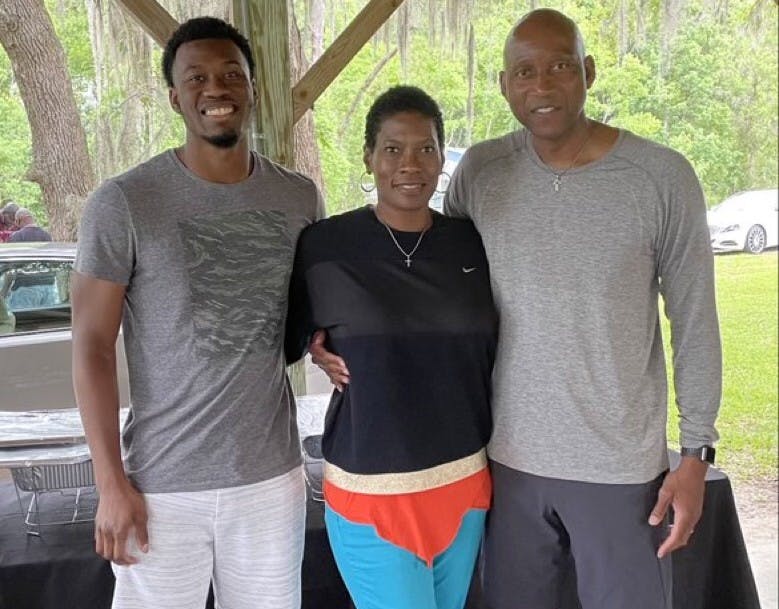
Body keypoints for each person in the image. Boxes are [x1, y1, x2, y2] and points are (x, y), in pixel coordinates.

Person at [442, 9, 721, 609]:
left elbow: (694, 320)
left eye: (560, 66)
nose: (542, 86)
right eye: (525, 71)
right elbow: (438, 289)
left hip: (622, 471)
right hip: (506, 462)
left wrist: (697, 454)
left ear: (589, 72)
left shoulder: (660, 177)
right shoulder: (480, 174)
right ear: (504, 84)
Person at [71, 16, 323, 609]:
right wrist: (110, 483)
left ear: (254, 90)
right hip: (162, 486)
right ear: (175, 97)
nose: (217, 89)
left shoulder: (298, 196)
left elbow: (309, 310)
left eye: (232, 74)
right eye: (198, 77)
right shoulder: (125, 202)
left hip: (271, 480)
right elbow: (89, 346)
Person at [287, 85, 498, 609]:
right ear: (369, 156)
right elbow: (289, 338)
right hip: (370, 490)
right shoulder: (325, 245)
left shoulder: (472, 242)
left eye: (425, 148)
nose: (411, 164)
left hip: (464, 483)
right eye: (392, 149)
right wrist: (318, 344)